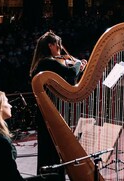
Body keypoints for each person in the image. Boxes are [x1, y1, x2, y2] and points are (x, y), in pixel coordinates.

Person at [29, 31, 87, 181]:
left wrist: (77, 69)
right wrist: (78, 63)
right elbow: (70, 72)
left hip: (50, 110)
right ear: (50, 46)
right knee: (50, 148)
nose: (60, 48)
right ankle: (51, 178)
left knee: (51, 149)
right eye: (58, 45)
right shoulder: (47, 62)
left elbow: (70, 83)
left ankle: (53, 177)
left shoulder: (47, 62)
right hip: (48, 111)